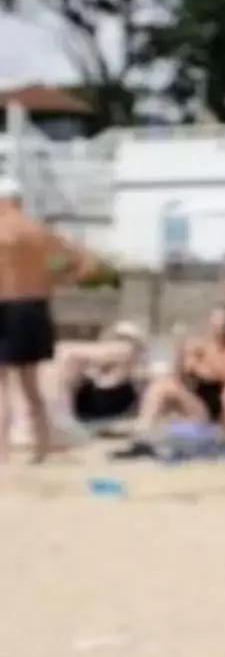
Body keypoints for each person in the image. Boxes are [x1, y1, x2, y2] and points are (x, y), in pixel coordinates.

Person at [1, 186, 100, 464]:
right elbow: (88, 263)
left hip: (4, 304)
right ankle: (40, 450)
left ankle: (2, 454)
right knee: (30, 384)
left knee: (2, 386)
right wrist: (57, 280)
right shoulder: (40, 231)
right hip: (34, 305)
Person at [138, 304, 225, 451]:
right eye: (212, 320)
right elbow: (180, 379)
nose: (214, 325)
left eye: (220, 322)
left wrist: (203, 366)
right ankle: (142, 437)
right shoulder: (199, 346)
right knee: (162, 385)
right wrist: (180, 352)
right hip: (206, 407)